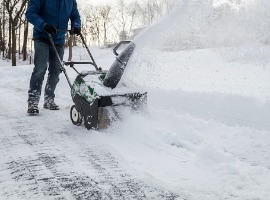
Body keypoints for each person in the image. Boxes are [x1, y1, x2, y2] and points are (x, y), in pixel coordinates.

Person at [26, 0, 81, 114]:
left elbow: (75, 15)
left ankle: (49, 99)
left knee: (56, 71)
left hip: (59, 39)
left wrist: (76, 25)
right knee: (40, 69)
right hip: (42, 37)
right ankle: (33, 102)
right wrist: (44, 25)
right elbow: (30, 13)